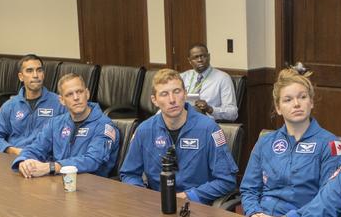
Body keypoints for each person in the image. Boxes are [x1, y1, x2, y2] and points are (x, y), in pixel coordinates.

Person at [240, 68, 341, 217]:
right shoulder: (265, 142)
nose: (296, 104)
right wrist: (254, 213)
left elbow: (329, 198)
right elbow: (249, 189)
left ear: (311, 102)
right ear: (278, 108)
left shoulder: (330, 144)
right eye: (288, 100)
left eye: (302, 97)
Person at [119, 69, 237, 204]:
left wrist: (190, 196)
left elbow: (226, 180)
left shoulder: (209, 129)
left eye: (177, 91)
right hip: (156, 206)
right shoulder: (144, 130)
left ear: (185, 94)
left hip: (198, 206)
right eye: (164, 94)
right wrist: (144, 196)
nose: (172, 100)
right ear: (155, 100)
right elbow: (129, 174)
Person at [12, 72, 118, 178]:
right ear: (62, 100)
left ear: (87, 93)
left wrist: (53, 167)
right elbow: (36, 148)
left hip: (92, 185)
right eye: (69, 94)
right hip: (59, 181)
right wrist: (24, 161)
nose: (76, 97)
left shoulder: (104, 126)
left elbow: (93, 160)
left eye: (79, 92)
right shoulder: (55, 123)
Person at [0, 54, 65, 155]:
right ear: (21, 77)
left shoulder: (59, 103)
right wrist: (11, 150)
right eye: (29, 71)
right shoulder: (10, 105)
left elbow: (67, 136)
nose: (35, 75)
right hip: (13, 158)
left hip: (44, 160)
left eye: (39, 70)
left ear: (43, 74)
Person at [180, 43, 238, 121]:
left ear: (209, 57)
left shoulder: (223, 78)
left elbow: (233, 113)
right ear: (189, 60)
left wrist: (210, 109)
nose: (200, 60)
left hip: (206, 124)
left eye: (203, 56)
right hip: (181, 121)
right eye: (195, 57)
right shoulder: (182, 77)